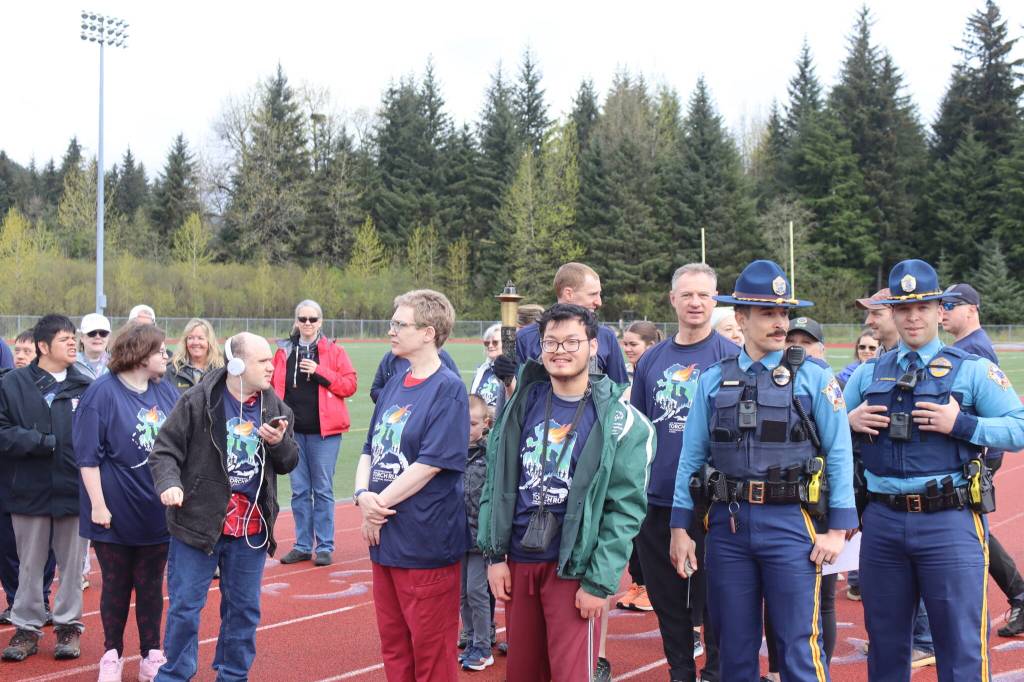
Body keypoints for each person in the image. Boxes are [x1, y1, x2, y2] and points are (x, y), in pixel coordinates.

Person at [670, 260, 856, 682]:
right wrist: (680, 525)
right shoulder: (712, 380)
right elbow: (691, 455)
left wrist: (838, 529)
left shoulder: (814, 377)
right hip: (728, 528)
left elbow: (840, 453)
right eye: (767, 314)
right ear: (740, 317)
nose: (779, 323)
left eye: (783, 314)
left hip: (791, 524)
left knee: (797, 647)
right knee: (732, 649)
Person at [844, 259, 1024, 680]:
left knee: (960, 646)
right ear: (892, 313)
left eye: (922, 306)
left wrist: (961, 424)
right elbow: (823, 428)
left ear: (938, 309)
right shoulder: (868, 373)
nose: (913, 316)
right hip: (883, 523)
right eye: (903, 308)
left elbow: (1018, 427)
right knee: (885, 646)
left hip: (949, 520)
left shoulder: (972, 368)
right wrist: (846, 423)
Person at [478, 303, 654, 682]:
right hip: (521, 560)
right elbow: (498, 478)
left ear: (593, 346)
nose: (560, 350)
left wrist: (599, 582)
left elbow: (624, 509)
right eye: (551, 342)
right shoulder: (523, 402)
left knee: (571, 674)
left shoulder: (618, 418)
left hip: (573, 567)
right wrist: (494, 555)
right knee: (523, 673)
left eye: (572, 341)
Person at [149, 332, 298, 682]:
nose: (271, 367)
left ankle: (233, 675)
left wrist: (278, 445)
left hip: (251, 529)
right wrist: (170, 484)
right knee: (186, 608)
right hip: (198, 523)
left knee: (244, 610)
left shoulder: (274, 405)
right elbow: (164, 450)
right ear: (237, 364)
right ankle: (175, 674)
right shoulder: (197, 401)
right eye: (262, 361)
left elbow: (290, 461)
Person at [354, 289, 469, 682]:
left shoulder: (449, 388)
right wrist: (361, 496)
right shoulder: (394, 382)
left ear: (428, 332)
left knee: (431, 654)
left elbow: (430, 465)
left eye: (400, 324)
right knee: (395, 648)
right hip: (385, 538)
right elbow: (370, 448)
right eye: (393, 322)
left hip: (424, 541)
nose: (391, 331)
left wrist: (376, 505)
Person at [630, 263, 738, 682]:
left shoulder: (731, 358)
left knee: (717, 599)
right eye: (687, 294)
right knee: (667, 600)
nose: (696, 302)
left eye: (704, 295)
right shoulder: (652, 360)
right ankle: (679, 672)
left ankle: (713, 672)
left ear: (716, 301)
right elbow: (638, 431)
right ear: (672, 299)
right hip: (656, 498)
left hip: (715, 503)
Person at [74, 323, 181, 681]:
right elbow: (87, 458)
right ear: (140, 354)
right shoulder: (101, 393)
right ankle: (112, 654)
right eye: (160, 350)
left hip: (156, 513)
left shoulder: (166, 391)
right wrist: (98, 506)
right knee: (117, 587)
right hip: (114, 512)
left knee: (151, 586)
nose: (166, 355)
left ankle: (151, 652)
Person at [0, 314, 93, 662]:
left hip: (73, 490)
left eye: (74, 338)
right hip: (29, 490)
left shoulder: (85, 385)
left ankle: (69, 626)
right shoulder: (12, 384)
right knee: (29, 564)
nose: (73, 343)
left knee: (72, 565)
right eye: (65, 338)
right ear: (43, 346)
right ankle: (26, 627)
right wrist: (41, 442)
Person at [758, 319, 841, 682]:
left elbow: (841, 451)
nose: (798, 346)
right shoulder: (769, 377)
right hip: (784, 507)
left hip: (819, 508)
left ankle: (820, 665)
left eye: (807, 341)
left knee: (819, 602)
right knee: (776, 603)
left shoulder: (822, 380)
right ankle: (778, 671)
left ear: (821, 348)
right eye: (792, 339)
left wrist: (841, 522)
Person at [940, 283, 1024, 638]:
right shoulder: (965, 346)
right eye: (940, 305)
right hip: (976, 452)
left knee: (967, 528)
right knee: (970, 529)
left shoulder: (973, 349)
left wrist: (982, 456)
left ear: (971, 309)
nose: (942, 311)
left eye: (950, 305)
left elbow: (995, 413)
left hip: (976, 454)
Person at [273, 300, 358, 567]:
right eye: (303, 318)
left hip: (325, 434)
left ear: (321, 322)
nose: (307, 323)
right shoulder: (283, 351)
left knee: (322, 490)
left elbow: (349, 385)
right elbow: (273, 386)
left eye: (312, 319)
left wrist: (319, 371)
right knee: (299, 491)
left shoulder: (334, 351)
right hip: (293, 433)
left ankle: (324, 546)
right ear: (296, 321)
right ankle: (301, 545)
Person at [0, 328, 56, 628]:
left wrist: (40, 441)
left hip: (39, 484)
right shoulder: (4, 385)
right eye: (17, 351)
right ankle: (14, 601)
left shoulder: (55, 390)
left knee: (42, 548)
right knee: (7, 547)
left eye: (26, 352)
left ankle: (41, 600)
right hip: (6, 480)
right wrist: (38, 440)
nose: (20, 356)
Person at [510, 262, 630, 385]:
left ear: (593, 345)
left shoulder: (606, 337)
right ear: (568, 294)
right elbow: (516, 395)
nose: (598, 302)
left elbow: (620, 390)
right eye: (593, 294)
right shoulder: (525, 338)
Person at [616, 320, 662, 613]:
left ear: (650, 345)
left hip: (653, 463)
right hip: (630, 463)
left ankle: (649, 586)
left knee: (649, 530)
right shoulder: (627, 376)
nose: (628, 349)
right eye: (625, 344)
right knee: (634, 529)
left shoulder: (656, 374)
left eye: (634, 344)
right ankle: (638, 582)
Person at [459, 395, 494, 672]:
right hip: (456, 537)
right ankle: (470, 639)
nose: (467, 428)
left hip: (480, 538)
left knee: (477, 591)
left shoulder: (489, 454)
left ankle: (483, 646)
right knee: (462, 594)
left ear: (485, 424)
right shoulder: (451, 452)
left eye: (472, 423)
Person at [369, 346, 459, 403]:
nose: (392, 332)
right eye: (393, 325)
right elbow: (375, 391)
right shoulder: (390, 359)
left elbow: (457, 392)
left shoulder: (442, 357)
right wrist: (396, 396)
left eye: (401, 326)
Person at [166, 318, 224, 393]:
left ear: (209, 341)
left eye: (200, 338)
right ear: (185, 342)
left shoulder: (220, 370)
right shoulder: (173, 370)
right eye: (190, 338)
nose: (195, 342)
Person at [470, 323, 504, 409]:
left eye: (495, 342)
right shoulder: (481, 370)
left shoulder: (514, 370)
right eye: (487, 343)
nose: (490, 345)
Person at [856, 288, 899, 353]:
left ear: (898, 314)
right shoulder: (878, 354)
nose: (867, 322)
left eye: (876, 314)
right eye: (869, 314)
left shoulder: (912, 358)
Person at [75, 313, 112, 380]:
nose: (98, 337)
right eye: (92, 333)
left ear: (108, 337)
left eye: (103, 333)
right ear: (82, 337)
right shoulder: (71, 363)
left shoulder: (117, 363)